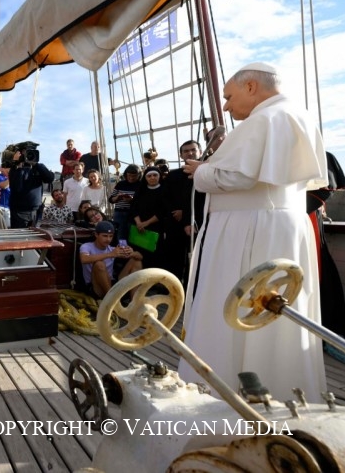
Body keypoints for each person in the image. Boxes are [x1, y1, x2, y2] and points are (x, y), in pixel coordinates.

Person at [178, 62, 328, 400]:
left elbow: (236, 177)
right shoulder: (298, 115)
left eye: (229, 97)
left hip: (248, 231)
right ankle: (283, 389)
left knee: (235, 306)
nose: (226, 106)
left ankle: (222, 392)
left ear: (251, 87)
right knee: (276, 318)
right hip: (281, 227)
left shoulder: (264, 119)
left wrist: (201, 171)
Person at [163, 140, 202, 284]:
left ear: (200, 152)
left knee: (198, 258)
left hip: (198, 222)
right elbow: (165, 197)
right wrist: (176, 211)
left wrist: (185, 213)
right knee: (175, 258)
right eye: (186, 151)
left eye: (193, 150)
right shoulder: (173, 175)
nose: (190, 153)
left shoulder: (205, 174)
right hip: (175, 223)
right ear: (181, 155)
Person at [79, 221, 143, 299]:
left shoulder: (112, 249)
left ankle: (135, 300)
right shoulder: (86, 246)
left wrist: (131, 253)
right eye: (105, 236)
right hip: (95, 285)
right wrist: (110, 254)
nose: (108, 239)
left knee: (136, 261)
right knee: (99, 264)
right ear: (96, 235)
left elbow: (140, 256)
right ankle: (112, 300)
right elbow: (84, 259)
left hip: (111, 283)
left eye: (111, 236)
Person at [128, 166, 168, 268]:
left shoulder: (165, 190)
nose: (152, 177)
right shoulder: (141, 190)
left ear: (159, 176)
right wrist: (139, 223)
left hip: (156, 228)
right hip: (139, 228)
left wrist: (146, 223)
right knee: (139, 254)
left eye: (155, 175)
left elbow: (163, 211)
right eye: (149, 176)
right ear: (145, 178)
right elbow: (133, 208)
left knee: (155, 255)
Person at [8, 145, 54, 228]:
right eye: (25, 153)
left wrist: (36, 165)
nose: (28, 155)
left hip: (36, 211)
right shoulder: (16, 169)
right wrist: (17, 165)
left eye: (30, 152)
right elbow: (16, 187)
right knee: (20, 235)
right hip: (19, 212)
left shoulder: (39, 168)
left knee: (35, 235)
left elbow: (49, 178)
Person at [109, 164, 141, 239]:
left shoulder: (141, 185)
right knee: (120, 235)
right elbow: (111, 199)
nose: (131, 178)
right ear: (126, 174)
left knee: (133, 236)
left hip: (133, 214)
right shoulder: (120, 184)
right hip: (119, 213)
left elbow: (143, 202)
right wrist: (117, 197)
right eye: (129, 175)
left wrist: (132, 200)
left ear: (139, 175)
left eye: (134, 176)